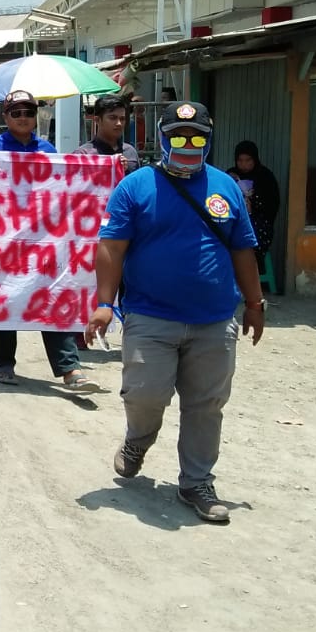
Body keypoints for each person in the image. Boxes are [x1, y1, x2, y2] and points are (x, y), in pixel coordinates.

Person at [85, 101, 265, 524]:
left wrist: (255, 303)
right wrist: (103, 304)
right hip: (150, 316)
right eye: (179, 137)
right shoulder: (135, 187)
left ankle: (196, 482)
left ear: (208, 140)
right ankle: (138, 439)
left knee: (206, 404)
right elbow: (111, 247)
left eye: (197, 137)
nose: (188, 145)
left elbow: (243, 250)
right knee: (146, 393)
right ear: (163, 139)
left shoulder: (226, 188)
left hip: (215, 319)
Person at [0, 90, 99, 392]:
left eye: (29, 112)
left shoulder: (48, 150)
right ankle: (4, 363)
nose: (23, 118)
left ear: (36, 116)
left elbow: (64, 189)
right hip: (1, 240)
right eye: (16, 112)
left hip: (42, 241)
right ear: (5, 116)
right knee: (4, 299)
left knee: (52, 296)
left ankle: (70, 369)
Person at [227, 141, 280, 269]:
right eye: (240, 160)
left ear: (255, 159)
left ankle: (248, 273)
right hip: (234, 221)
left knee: (246, 240)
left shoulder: (265, 176)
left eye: (248, 160)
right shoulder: (231, 174)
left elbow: (272, 206)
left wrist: (253, 204)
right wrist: (229, 181)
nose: (243, 164)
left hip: (259, 225)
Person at [76, 94, 140, 173]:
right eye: (113, 118)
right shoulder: (83, 154)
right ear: (97, 120)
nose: (119, 123)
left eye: (122, 119)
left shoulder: (130, 152)